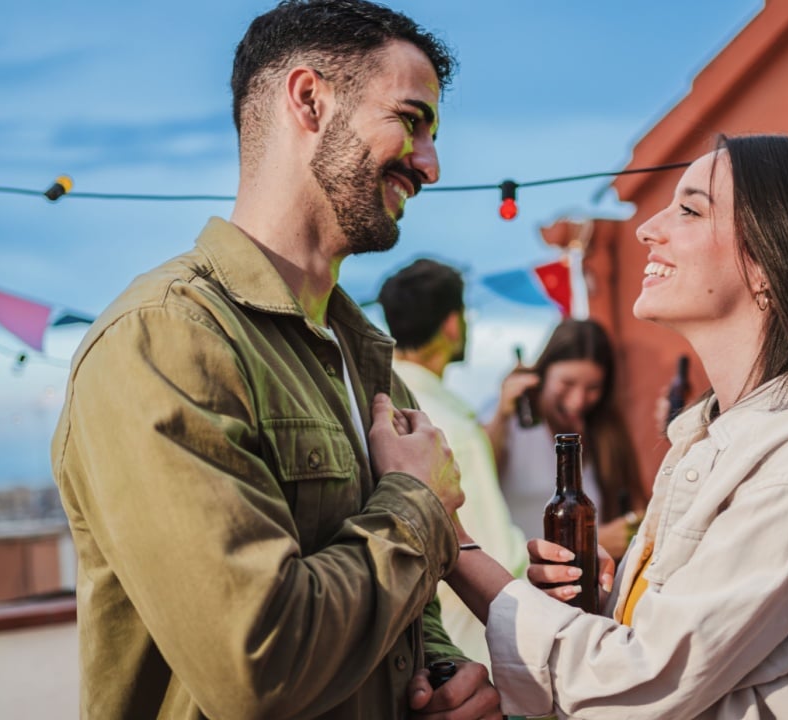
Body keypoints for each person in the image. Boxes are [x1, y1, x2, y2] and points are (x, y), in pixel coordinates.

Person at [50, 2, 501, 718]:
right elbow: (257, 665)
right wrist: (419, 503)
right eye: (411, 121)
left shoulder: (360, 353)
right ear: (310, 101)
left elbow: (395, 602)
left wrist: (444, 673)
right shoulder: (164, 340)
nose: (430, 165)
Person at [444, 134, 788, 718]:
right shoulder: (713, 435)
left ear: (769, 265)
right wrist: (603, 607)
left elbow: (637, 684)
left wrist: (450, 538)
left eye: (690, 209)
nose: (648, 227)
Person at [377, 258, 530, 666]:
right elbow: (497, 553)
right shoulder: (449, 428)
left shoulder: (382, 405)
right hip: (473, 649)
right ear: (451, 324)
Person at [485, 319, 647, 560]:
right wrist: (500, 416)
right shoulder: (510, 422)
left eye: (593, 388)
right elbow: (475, 480)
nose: (578, 401)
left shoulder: (606, 431)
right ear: (541, 374)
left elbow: (637, 505)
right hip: (520, 579)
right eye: (567, 383)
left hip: (586, 580)